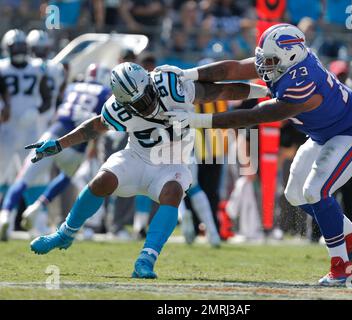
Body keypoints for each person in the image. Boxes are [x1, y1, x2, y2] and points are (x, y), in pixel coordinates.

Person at [160, 23, 352, 286]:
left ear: (291, 56)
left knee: (315, 191)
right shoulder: (285, 60)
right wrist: (187, 74)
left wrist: (195, 121)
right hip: (324, 133)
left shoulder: (301, 82)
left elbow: (253, 115)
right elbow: (235, 69)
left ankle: (341, 267)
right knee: (295, 194)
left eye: (271, 59)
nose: (264, 66)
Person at [26, 62, 269, 279]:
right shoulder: (116, 108)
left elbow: (221, 90)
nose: (145, 105)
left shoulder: (171, 85)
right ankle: (65, 233)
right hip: (137, 156)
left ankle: (146, 259)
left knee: (173, 192)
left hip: (173, 160)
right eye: (136, 104)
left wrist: (263, 91)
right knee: (102, 180)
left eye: (145, 97)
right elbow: (95, 126)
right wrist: (59, 143)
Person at [0, 64, 111, 240]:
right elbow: (100, 123)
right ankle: (38, 205)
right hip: (77, 146)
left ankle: (4, 215)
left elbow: (60, 110)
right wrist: (94, 147)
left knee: (23, 178)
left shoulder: (72, 86)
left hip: (52, 136)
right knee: (66, 177)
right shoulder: (105, 92)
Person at [0, 29, 51, 208]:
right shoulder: (2, 68)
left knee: (34, 173)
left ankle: (37, 219)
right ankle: (6, 215)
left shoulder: (37, 67)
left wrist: (36, 112)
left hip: (30, 129)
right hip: (5, 128)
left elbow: (47, 98)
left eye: (23, 47)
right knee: (1, 173)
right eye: (16, 47)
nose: (20, 51)